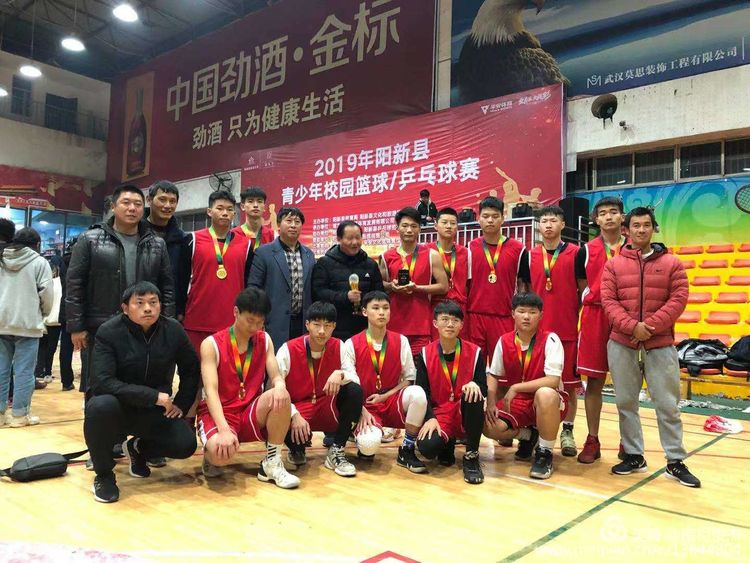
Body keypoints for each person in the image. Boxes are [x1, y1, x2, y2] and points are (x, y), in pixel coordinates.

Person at [601, 207, 700, 487]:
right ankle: (634, 455)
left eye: (646, 225)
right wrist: (633, 327)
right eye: (636, 225)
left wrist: (650, 327)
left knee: (667, 405)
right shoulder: (614, 265)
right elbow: (608, 301)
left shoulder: (672, 263)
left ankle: (675, 460)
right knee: (625, 402)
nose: (641, 230)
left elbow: (678, 299)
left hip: (660, 344)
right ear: (627, 230)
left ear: (653, 228)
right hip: (622, 343)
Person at [83, 282, 201, 503]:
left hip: (154, 411)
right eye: (140, 303)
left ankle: (138, 447)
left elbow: (191, 368)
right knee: (99, 406)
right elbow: (102, 382)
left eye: (153, 302)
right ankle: (104, 475)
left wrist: (182, 404)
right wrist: (152, 396)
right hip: (117, 409)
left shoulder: (173, 330)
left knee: (186, 443)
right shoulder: (109, 331)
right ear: (125, 308)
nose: (148, 308)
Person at [66, 184, 175, 392]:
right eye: (126, 203)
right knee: (99, 388)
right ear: (113, 206)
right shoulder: (90, 240)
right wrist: (76, 326)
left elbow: (167, 287)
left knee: (139, 386)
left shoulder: (157, 244)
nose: (132, 208)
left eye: (137, 204)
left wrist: (167, 325)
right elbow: (74, 285)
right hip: (101, 326)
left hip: (144, 328)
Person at [198, 287, 300, 489]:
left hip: (249, 410)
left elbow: (276, 376)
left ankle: (272, 462)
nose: (255, 327)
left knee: (281, 395)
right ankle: (210, 456)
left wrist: (280, 385)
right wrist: (224, 429)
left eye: (260, 322)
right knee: (220, 455)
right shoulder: (211, 344)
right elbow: (210, 391)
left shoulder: (265, 339)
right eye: (250, 321)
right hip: (221, 412)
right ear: (236, 312)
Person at [484, 293, 569, 480]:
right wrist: (490, 402)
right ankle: (529, 436)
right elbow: (493, 375)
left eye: (532, 312)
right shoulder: (504, 341)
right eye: (521, 311)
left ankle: (545, 453)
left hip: (548, 402)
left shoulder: (551, 339)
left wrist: (516, 387)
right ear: (513, 314)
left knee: (545, 393)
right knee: (488, 425)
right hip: (518, 402)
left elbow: (553, 380)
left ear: (541, 315)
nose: (526, 316)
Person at [342, 291, 429, 473]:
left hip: (391, 400)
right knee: (369, 446)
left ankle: (407, 449)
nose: (381, 312)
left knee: (418, 394)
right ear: (364, 312)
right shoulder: (351, 343)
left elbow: (409, 378)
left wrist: (386, 396)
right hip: (366, 405)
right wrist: (360, 410)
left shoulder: (401, 341)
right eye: (375, 308)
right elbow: (350, 386)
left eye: (385, 308)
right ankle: (359, 432)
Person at [276, 301, 363, 476]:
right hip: (298, 410)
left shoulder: (340, 346)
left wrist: (340, 374)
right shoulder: (288, 349)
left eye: (327, 325)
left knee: (354, 390)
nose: (322, 331)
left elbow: (355, 379)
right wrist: (293, 415)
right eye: (317, 325)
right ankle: (296, 449)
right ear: (307, 324)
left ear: (334, 327)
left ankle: (337, 449)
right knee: (278, 406)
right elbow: (275, 390)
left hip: (327, 407)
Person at [521, 205, 580, 458]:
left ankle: (568, 430)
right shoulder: (529, 255)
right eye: (544, 220)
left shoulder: (576, 253)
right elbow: (524, 291)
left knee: (570, 385)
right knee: (536, 385)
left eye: (553, 220)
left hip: (566, 329)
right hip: (537, 333)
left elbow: (583, 290)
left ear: (562, 224)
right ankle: (533, 429)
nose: (548, 225)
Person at [575, 196, 626, 464]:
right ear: (596, 219)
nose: (608, 217)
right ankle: (592, 438)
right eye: (603, 213)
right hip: (595, 315)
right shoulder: (585, 250)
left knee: (626, 383)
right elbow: (583, 285)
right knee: (594, 381)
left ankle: (628, 440)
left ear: (622, 217)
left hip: (625, 316)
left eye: (613, 212)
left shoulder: (634, 247)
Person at [415, 300, 486, 484]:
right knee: (427, 448)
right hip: (440, 413)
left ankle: (471, 456)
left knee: (474, 394)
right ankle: (447, 443)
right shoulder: (425, 353)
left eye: (455, 320)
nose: (450, 324)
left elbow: (484, 388)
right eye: (445, 319)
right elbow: (422, 392)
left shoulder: (475, 352)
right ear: (435, 323)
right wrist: (430, 417)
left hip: (464, 410)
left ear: (462, 325)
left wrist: (475, 385)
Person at [179, 190, 254, 355]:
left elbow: (249, 284)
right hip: (197, 320)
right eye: (220, 208)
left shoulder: (246, 245)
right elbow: (181, 280)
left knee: (229, 368)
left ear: (234, 214)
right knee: (197, 368)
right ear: (209, 211)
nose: (225, 213)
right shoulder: (192, 240)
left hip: (232, 321)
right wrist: (179, 311)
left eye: (229, 209)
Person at [0, 228, 53, 427]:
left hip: (1, 322)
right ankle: (20, 415)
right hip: (28, 323)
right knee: (24, 372)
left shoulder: (1, 259)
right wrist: (43, 313)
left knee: (1, 370)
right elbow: (46, 293)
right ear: (37, 244)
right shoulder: (39, 262)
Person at [379, 207, 449, 356]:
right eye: (404, 226)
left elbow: (444, 287)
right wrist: (391, 286)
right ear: (397, 228)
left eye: (413, 226)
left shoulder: (432, 255)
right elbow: (380, 286)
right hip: (392, 325)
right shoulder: (386, 257)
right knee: (394, 367)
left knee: (419, 368)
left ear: (420, 229)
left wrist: (417, 288)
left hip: (420, 326)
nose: (409, 230)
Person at [466, 197, 528, 360]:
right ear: (479, 219)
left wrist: (520, 312)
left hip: (504, 316)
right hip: (474, 316)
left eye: (495, 216)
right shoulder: (469, 248)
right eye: (485, 216)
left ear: (503, 218)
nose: (490, 220)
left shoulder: (518, 249)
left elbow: (523, 284)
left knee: (504, 365)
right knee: (474, 363)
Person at [249, 207, 315, 349]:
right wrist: (258, 319)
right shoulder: (264, 252)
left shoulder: (309, 254)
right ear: (279, 224)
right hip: (273, 322)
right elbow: (254, 289)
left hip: (302, 323)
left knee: (300, 359)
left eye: (297, 222)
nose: (293, 225)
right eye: (289, 221)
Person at [312, 220, 384, 342]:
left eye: (358, 238)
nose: (355, 242)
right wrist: (346, 297)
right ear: (339, 239)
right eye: (350, 238)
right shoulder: (324, 263)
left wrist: (365, 302)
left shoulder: (371, 264)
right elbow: (318, 293)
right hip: (335, 328)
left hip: (364, 328)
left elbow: (379, 294)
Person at [425, 208, 470, 340]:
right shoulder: (426, 251)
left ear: (457, 227)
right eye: (444, 222)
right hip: (436, 307)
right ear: (435, 225)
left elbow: (469, 284)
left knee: (459, 348)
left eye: (453, 223)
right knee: (436, 347)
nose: (449, 226)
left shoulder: (466, 252)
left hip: (459, 308)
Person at [145, 180, 187, 309]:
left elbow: (183, 277)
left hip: (169, 307)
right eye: (162, 200)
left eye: (172, 201)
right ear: (149, 200)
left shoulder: (182, 238)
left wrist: (180, 309)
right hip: (139, 302)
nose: (168, 205)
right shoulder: (135, 232)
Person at [34, 257, 64, 386]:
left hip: (44, 318)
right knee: (51, 348)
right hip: (55, 320)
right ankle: (47, 372)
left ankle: (39, 371)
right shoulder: (60, 283)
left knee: (42, 347)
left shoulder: (45, 282)